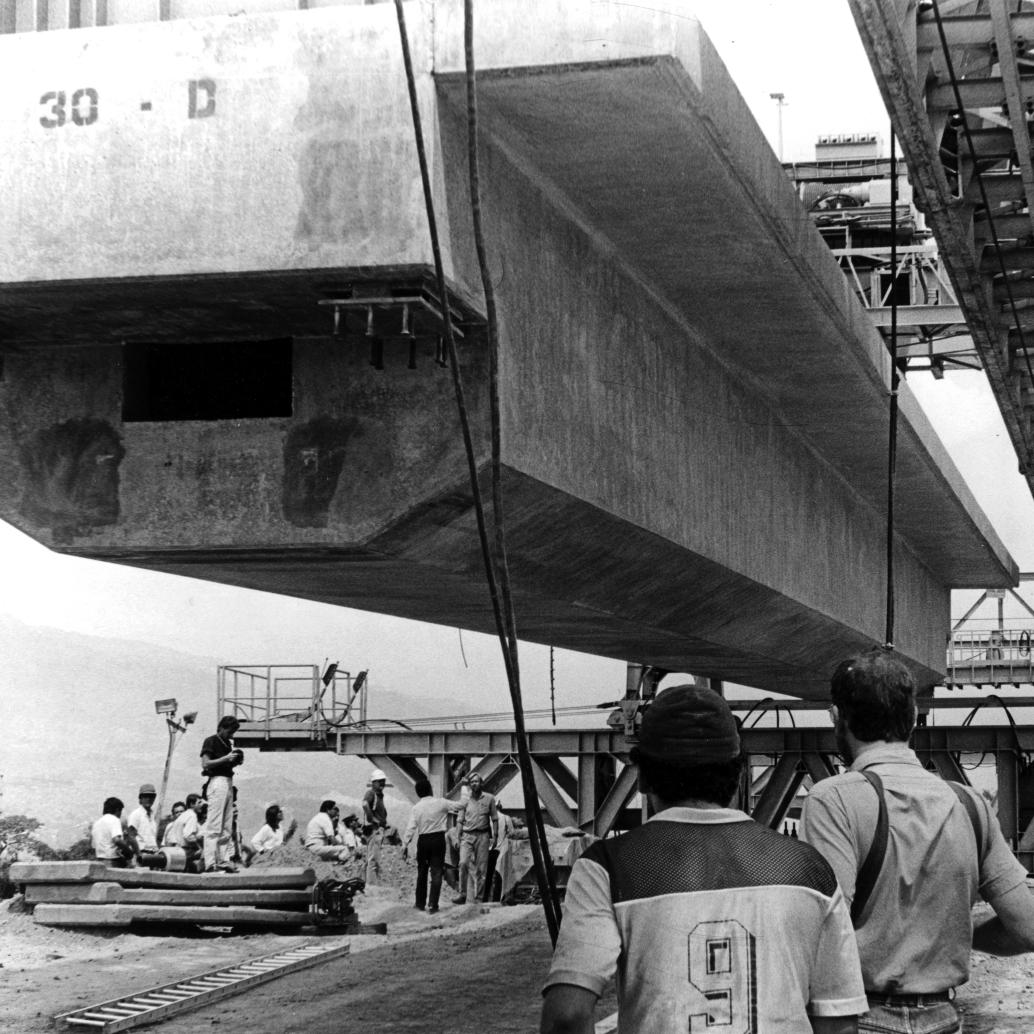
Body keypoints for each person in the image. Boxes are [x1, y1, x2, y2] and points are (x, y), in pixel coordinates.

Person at [541, 684, 866, 1034]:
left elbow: (566, 1015)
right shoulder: (809, 869)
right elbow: (839, 1024)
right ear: (738, 774)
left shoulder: (607, 867)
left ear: (643, 778)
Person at [800, 649, 1034, 1034]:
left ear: (837, 718)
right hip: (943, 1021)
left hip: (863, 1018)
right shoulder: (968, 804)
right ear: (912, 718)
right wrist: (949, 932)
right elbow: (1027, 927)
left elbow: (823, 933)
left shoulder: (833, 800)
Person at [402, 778, 465, 914]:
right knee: (436, 873)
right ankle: (433, 905)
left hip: (423, 840)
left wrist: (405, 845)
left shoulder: (416, 808)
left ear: (418, 793)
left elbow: (410, 828)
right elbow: (460, 805)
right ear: (430, 789)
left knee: (422, 872)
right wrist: (464, 788)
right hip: (438, 840)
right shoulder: (441, 803)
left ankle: (419, 903)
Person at [200, 715, 244, 874]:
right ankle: (210, 862)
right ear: (222, 728)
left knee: (226, 826)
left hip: (228, 781)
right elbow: (206, 763)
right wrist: (226, 758)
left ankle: (223, 860)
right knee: (214, 825)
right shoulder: (211, 741)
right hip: (217, 782)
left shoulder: (227, 744)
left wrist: (234, 761)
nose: (231, 735)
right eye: (230, 731)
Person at [453, 772, 498, 904]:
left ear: (481, 783)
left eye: (476, 781)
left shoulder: (489, 798)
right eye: (472, 782)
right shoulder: (465, 800)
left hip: (483, 836)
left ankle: (479, 899)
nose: (474, 784)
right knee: (463, 863)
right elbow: (459, 820)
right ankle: (462, 894)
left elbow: (494, 819)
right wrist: (457, 837)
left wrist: (495, 836)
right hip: (467, 835)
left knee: (481, 868)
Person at [483, 800, 514, 903]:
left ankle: (484, 898)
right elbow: (512, 833)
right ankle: (496, 899)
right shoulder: (506, 818)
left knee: (487, 875)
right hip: (501, 850)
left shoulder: (487, 818)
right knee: (499, 875)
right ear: (500, 807)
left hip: (488, 850)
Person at [363, 769, 389, 885]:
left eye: (383, 781)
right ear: (373, 782)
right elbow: (365, 804)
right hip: (375, 830)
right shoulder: (371, 793)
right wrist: (372, 819)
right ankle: (371, 886)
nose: (382, 783)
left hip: (378, 829)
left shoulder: (379, 795)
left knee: (374, 858)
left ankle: (370, 882)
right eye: (379, 781)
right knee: (373, 859)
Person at [91, 797, 134, 868]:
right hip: (113, 861)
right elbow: (117, 840)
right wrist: (129, 851)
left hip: (100, 861)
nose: (120, 815)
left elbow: (93, 845)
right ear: (117, 810)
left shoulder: (96, 823)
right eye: (120, 811)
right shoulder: (114, 819)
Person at [127, 783, 159, 855]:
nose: (148, 799)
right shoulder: (136, 814)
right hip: (141, 853)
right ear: (140, 799)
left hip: (153, 854)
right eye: (145, 796)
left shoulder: (153, 815)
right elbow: (131, 837)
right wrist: (139, 855)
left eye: (151, 796)